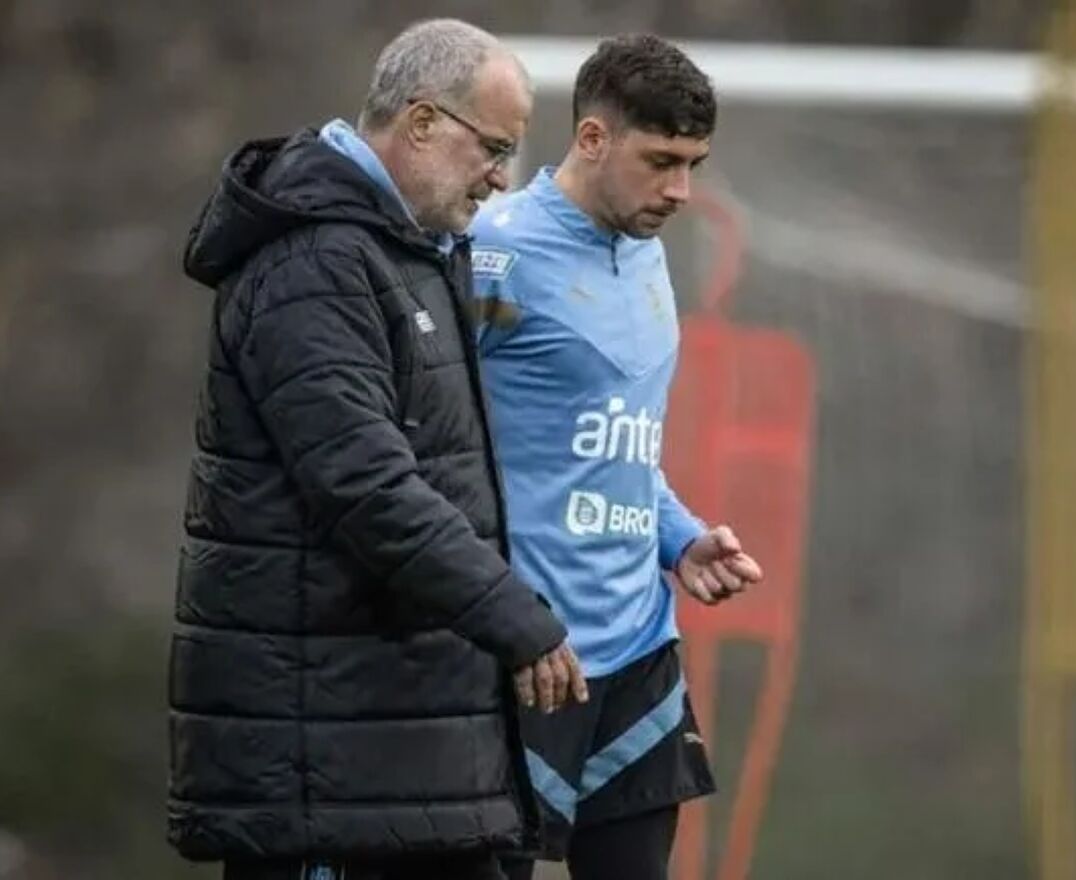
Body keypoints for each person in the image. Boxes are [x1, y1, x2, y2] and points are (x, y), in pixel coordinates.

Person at [167, 19, 588, 880]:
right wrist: (516, 620)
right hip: (328, 769)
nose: (503, 177)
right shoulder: (314, 262)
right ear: (423, 122)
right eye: (494, 147)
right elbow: (367, 487)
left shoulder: (410, 253)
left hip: (399, 754)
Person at [469, 34, 764, 880]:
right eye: (661, 160)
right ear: (592, 138)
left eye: (694, 164)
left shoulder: (647, 257)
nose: (680, 190)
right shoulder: (494, 251)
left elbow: (611, 443)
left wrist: (679, 537)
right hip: (527, 653)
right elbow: (429, 439)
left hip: (639, 646)